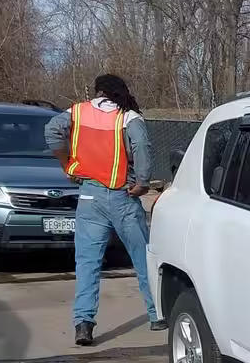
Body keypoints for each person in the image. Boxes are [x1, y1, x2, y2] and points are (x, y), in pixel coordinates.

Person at [45, 74, 163, 346]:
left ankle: (83, 325)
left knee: (87, 263)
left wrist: (66, 165)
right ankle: (156, 315)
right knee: (143, 258)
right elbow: (142, 148)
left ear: (97, 92)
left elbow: (51, 131)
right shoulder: (129, 118)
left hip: (89, 196)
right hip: (123, 194)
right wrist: (143, 183)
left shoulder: (76, 112)